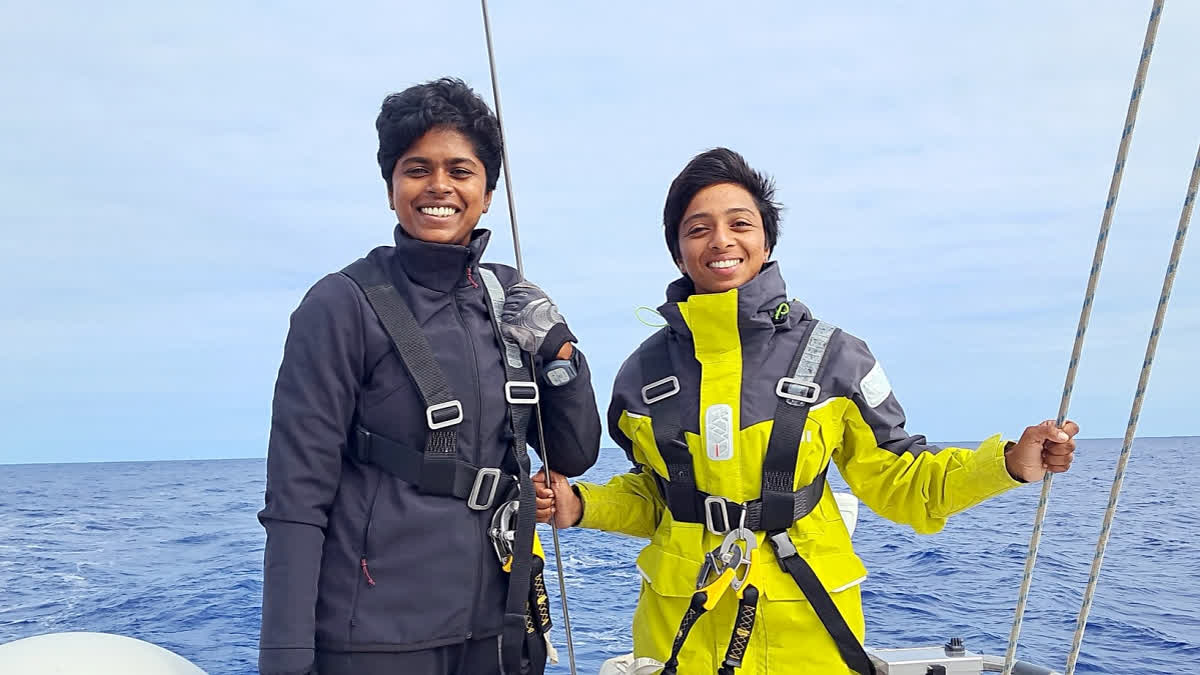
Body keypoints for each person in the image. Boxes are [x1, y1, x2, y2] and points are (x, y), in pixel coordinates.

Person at [536, 148, 1078, 675]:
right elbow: (658, 499)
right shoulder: (641, 374)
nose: (721, 240)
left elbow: (902, 481)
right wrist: (581, 504)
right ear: (678, 251)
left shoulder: (837, 357)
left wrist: (1009, 464)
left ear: (766, 239)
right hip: (680, 633)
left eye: (739, 224)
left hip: (810, 634)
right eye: (698, 228)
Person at [257, 77, 601, 675]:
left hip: (501, 628)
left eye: (460, 171)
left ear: (488, 192)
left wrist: (560, 353)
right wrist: (285, 662)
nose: (439, 186)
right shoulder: (340, 306)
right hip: (379, 638)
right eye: (417, 168)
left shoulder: (509, 299)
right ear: (392, 187)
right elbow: (296, 500)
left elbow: (574, 451)